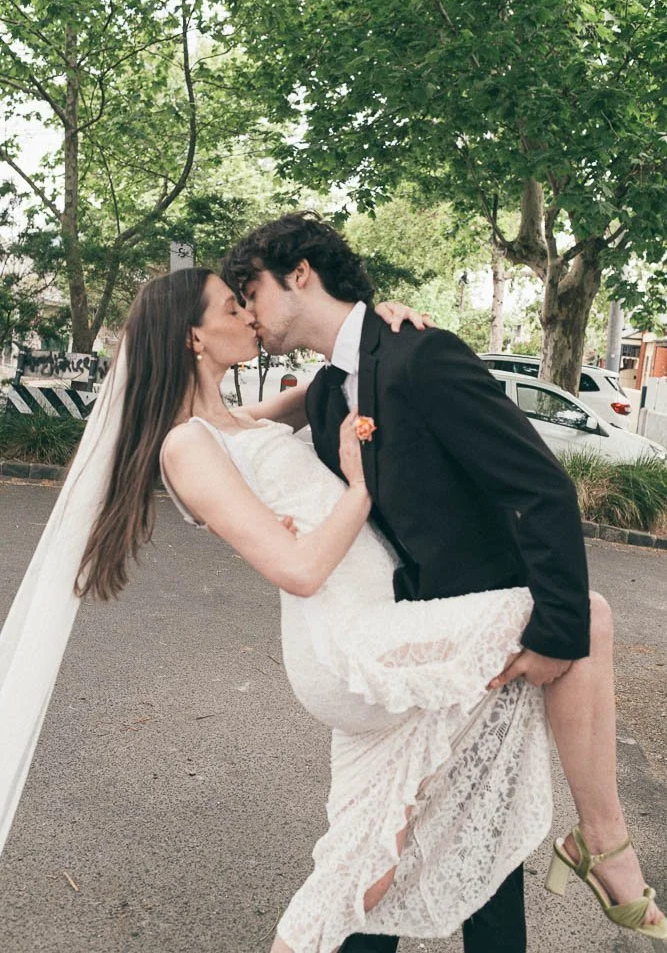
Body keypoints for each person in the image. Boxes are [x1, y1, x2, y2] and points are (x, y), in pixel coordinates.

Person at [1, 265, 663, 953]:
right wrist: (354, 489)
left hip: (374, 634)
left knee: (365, 871)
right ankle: (603, 842)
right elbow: (299, 567)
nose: (250, 317)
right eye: (234, 306)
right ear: (194, 337)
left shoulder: (234, 421)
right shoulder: (184, 444)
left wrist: (389, 318)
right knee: (583, 612)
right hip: (351, 647)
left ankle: (586, 850)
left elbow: (353, 366)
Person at [220, 212, 666, 952]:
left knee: (459, 838)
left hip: (488, 630)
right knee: (406, 836)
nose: (248, 311)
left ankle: (603, 844)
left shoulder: (421, 357)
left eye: (251, 289)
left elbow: (540, 489)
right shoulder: (332, 392)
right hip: (417, 643)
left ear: (299, 274)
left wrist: (556, 635)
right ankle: (601, 852)